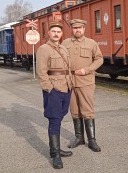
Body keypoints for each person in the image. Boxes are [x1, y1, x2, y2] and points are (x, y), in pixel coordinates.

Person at [61, 19, 103, 152]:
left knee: (87, 110)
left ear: (84, 29)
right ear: (72, 29)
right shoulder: (65, 43)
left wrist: (87, 70)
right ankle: (79, 137)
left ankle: (92, 141)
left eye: (80, 28)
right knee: (74, 110)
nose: (77, 30)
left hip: (85, 80)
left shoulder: (91, 43)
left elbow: (99, 59)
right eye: (75, 28)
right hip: (70, 81)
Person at [36, 22, 73, 169]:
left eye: (58, 31)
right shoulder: (43, 49)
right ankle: (55, 154)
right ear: (49, 33)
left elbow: (68, 68)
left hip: (66, 88)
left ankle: (56, 149)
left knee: (61, 115)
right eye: (53, 31)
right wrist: (49, 89)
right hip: (54, 89)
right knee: (54, 119)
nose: (56, 34)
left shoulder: (63, 48)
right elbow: (41, 71)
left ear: (61, 34)